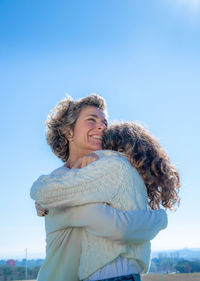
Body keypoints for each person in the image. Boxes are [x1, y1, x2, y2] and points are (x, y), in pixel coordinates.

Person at [31, 94, 178, 281]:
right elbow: (115, 226)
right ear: (68, 132)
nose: (102, 126)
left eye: (104, 122)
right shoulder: (60, 179)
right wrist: (159, 217)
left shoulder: (102, 173)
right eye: (91, 120)